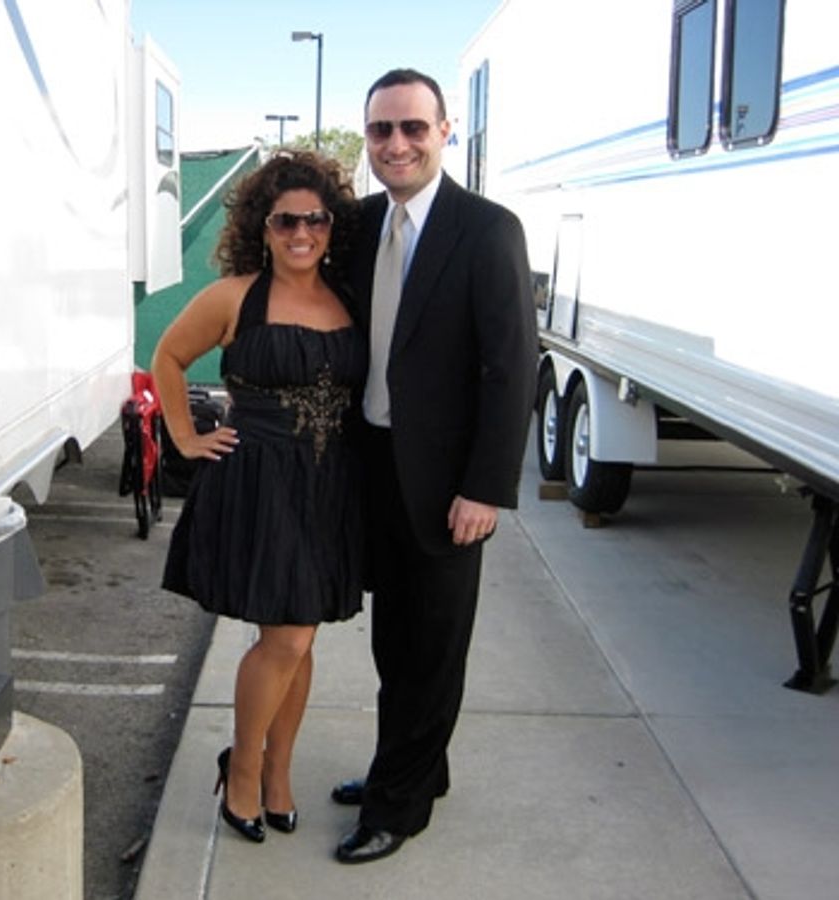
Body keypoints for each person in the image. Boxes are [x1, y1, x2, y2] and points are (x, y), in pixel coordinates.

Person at [331, 69, 538, 864]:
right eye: (381, 130)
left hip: (451, 484)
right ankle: (416, 767)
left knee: (433, 645)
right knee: (395, 642)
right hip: (374, 466)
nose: (397, 144)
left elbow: (510, 366)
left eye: (414, 128)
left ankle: (398, 806)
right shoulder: (357, 226)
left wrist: (485, 486)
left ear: (445, 132)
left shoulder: (487, 230)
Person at [153, 151, 367, 844]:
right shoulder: (234, 297)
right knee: (289, 635)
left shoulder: (347, 297)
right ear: (262, 225)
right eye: (285, 220)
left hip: (330, 485)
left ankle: (277, 774)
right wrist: (184, 437)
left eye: (314, 218)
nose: (300, 232)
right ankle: (243, 770)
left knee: (301, 642)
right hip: (261, 484)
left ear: (332, 224)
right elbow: (168, 357)